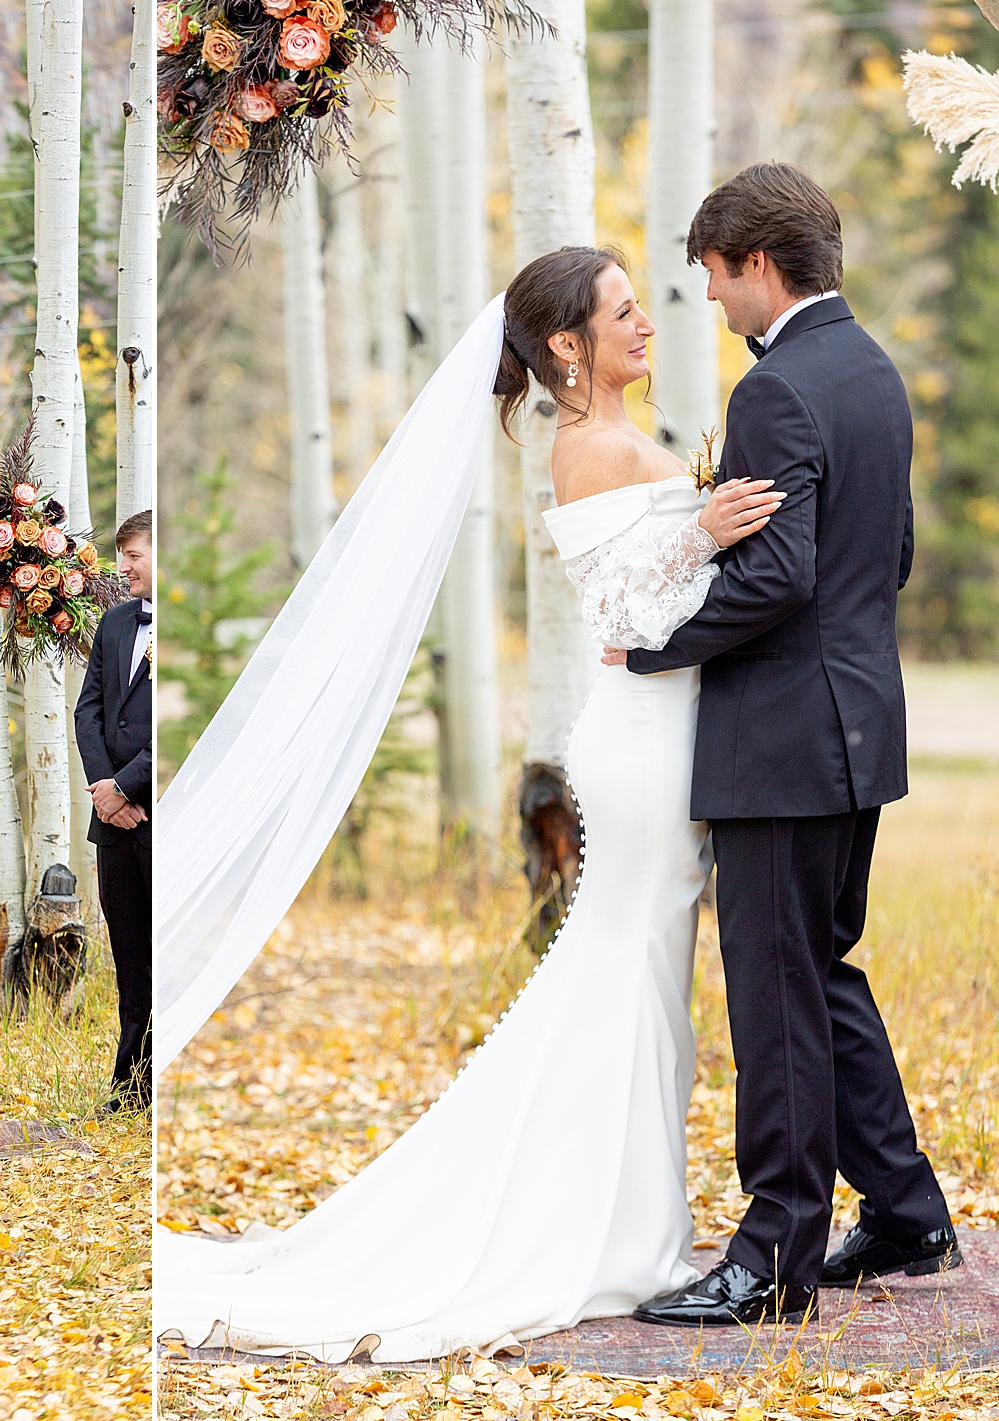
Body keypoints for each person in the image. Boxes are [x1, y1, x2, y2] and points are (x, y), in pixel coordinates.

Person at [155, 244, 788, 1361]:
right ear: (564, 345)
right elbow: (621, 614)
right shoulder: (587, 446)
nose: (645, 324)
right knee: (627, 972)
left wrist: (701, 530)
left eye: (642, 307)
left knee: (643, 976)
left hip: (667, 736)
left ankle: (634, 1220)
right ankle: (606, 1232)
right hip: (639, 744)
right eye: (623, 311)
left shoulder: (611, 438)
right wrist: (704, 528)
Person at [619, 163, 956, 1328]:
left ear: (756, 264)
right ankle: (907, 1211)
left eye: (712, 279)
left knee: (773, 993)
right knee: (819, 973)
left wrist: (653, 642)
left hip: (779, 738)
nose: (709, 302)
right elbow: (889, 554)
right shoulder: (872, 372)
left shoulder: (774, 390)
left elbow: (775, 570)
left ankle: (772, 1255)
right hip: (857, 720)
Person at [74, 511, 154, 1113]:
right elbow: (89, 711)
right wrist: (104, 788)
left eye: (133, 554)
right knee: (127, 946)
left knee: (164, 943)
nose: (122, 567)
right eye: (120, 554)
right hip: (114, 820)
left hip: (157, 813)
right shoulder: (115, 621)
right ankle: (130, 1083)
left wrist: (129, 786)